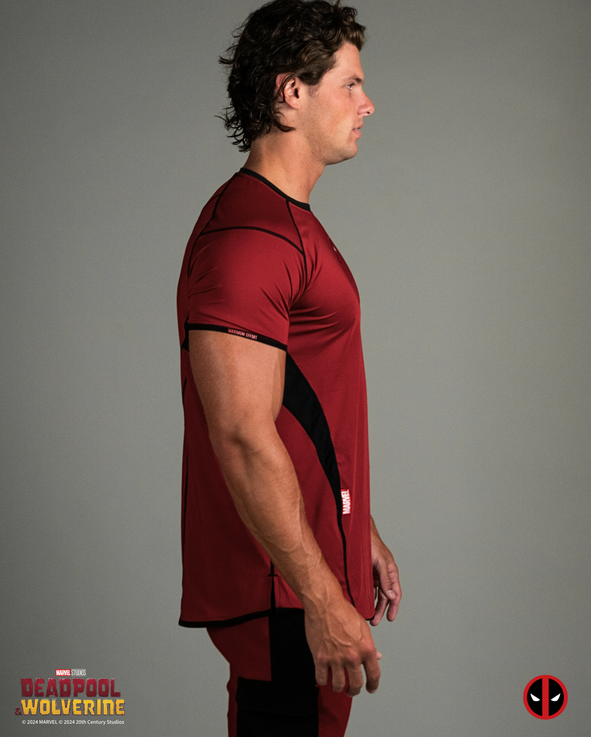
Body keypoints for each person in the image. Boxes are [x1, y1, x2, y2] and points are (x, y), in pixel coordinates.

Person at [176, 1, 401, 734]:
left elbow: (303, 402)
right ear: (291, 92)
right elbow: (243, 434)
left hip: (308, 570)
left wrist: (356, 524)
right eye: (350, 84)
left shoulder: (288, 222)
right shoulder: (251, 236)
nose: (367, 103)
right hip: (285, 592)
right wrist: (321, 596)